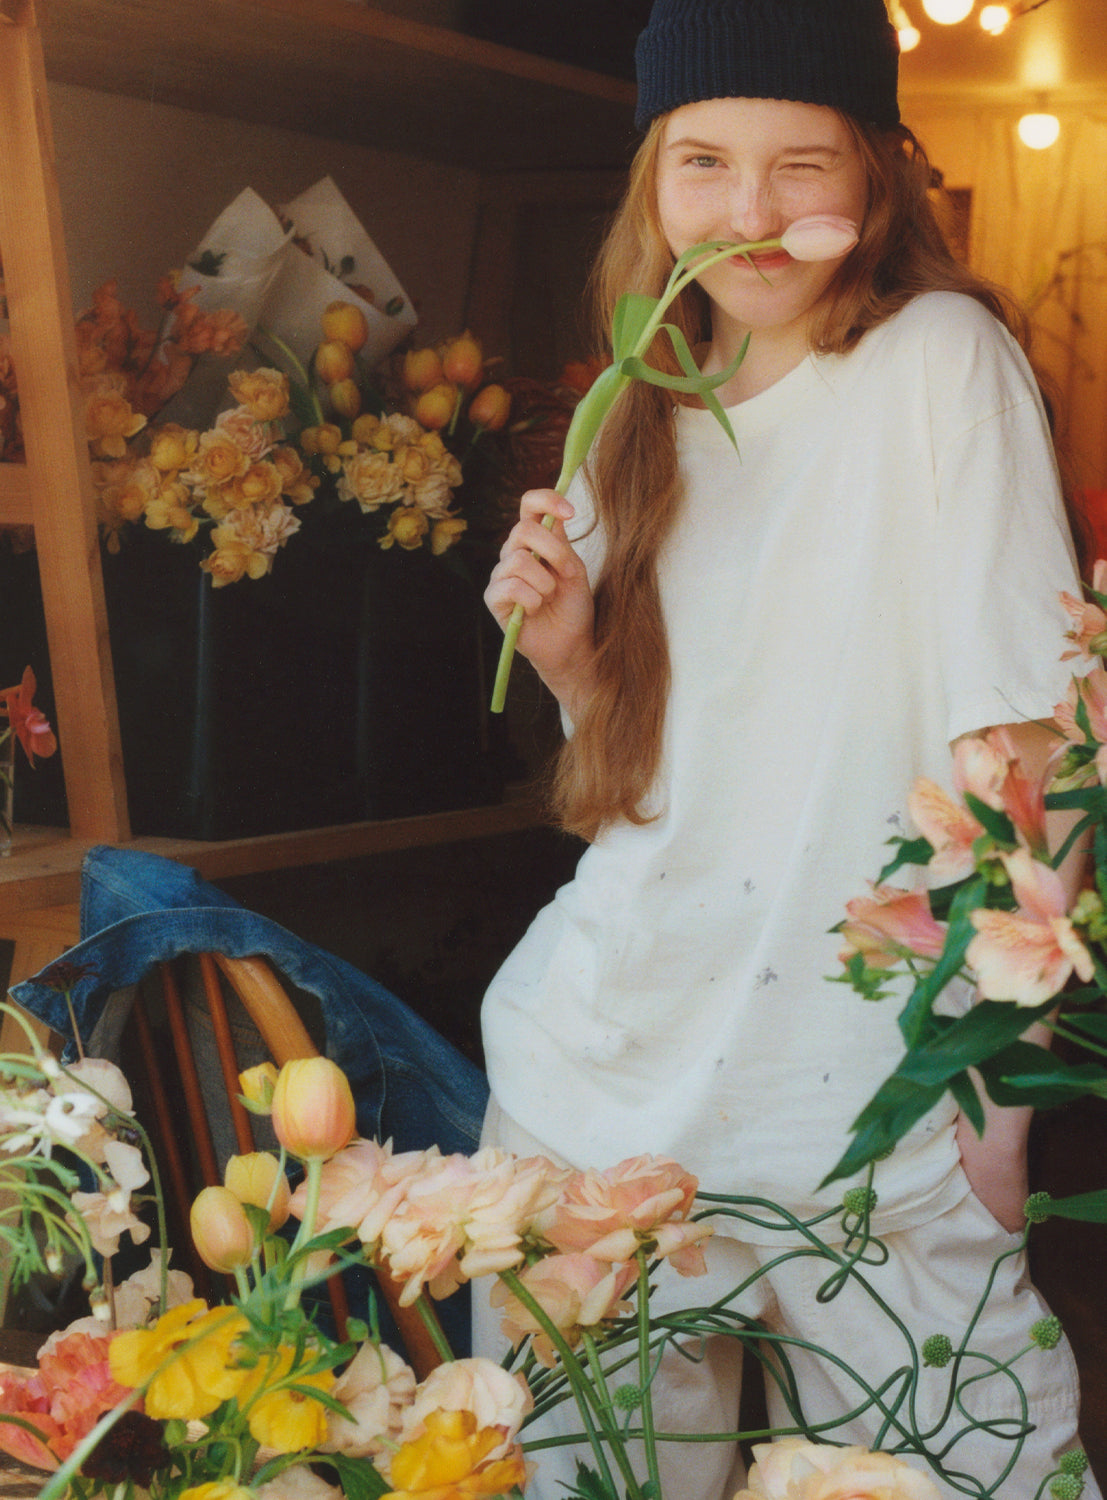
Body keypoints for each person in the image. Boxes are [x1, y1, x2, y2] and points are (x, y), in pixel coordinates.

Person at [479, 0, 1099, 1495]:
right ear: (652, 176)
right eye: (702, 160)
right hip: (599, 1080)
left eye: (799, 163)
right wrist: (570, 661)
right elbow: (654, 788)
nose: (748, 211)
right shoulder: (632, 408)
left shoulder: (940, 360)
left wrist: (994, 1096)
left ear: (876, 175)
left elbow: (1036, 743)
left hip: (869, 1106)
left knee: (979, 1473)